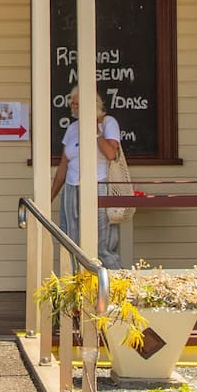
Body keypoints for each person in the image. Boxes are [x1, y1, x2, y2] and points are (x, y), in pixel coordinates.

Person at [52, 86, 122, 268]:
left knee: (102, 243)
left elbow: (111, 154)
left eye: (78, 104)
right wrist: (49, 197)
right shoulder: (73, 128)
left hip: (99, 186)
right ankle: (78, 287)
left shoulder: (108, 123)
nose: (74, 108)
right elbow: (63, 167)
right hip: (71, 186)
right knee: (72, 239)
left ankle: (114, 288)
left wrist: (95, 131)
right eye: (72, 104)